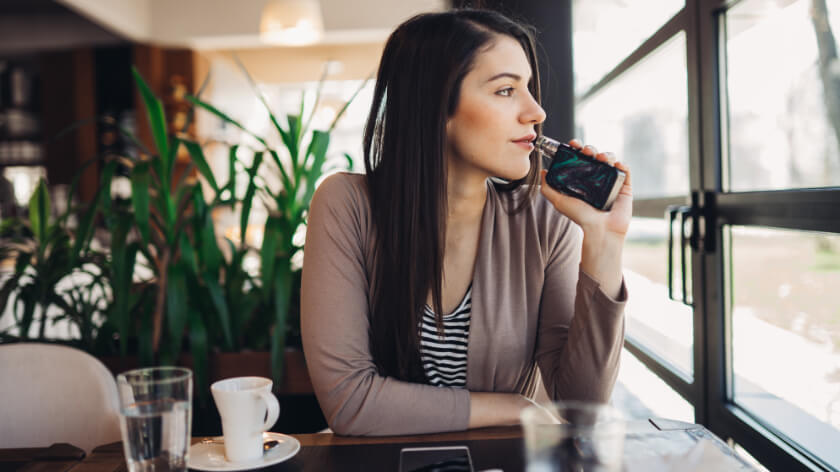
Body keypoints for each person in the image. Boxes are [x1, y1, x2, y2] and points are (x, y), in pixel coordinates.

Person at [300, 8, 631, 436]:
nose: (536, 112)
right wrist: (515, 407)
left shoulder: (547, 219)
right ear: (435, 104)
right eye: (507, 90)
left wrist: (605, 241)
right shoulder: (345, 205)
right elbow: (349, 403)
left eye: (528, 88)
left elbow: (581, 405)